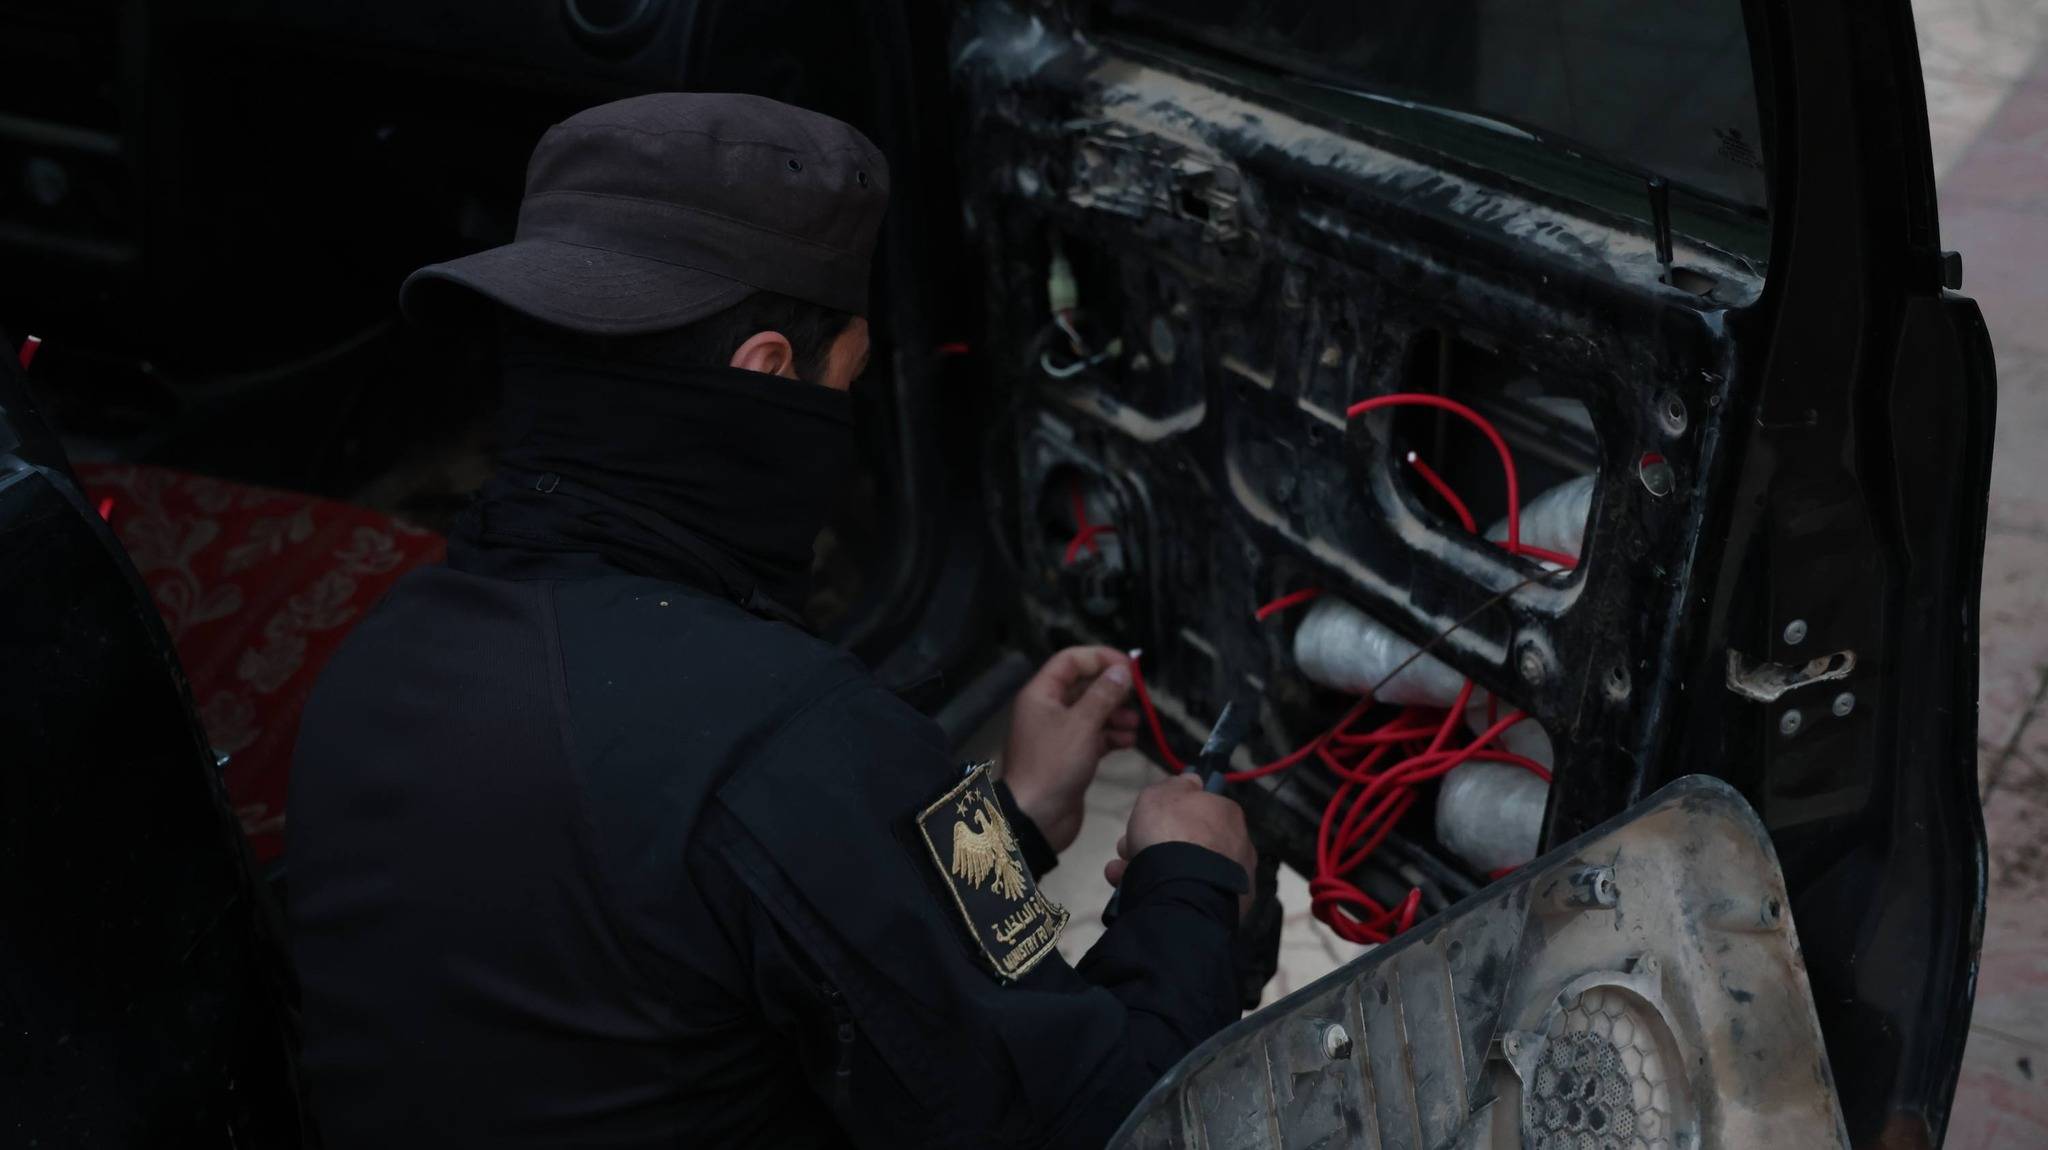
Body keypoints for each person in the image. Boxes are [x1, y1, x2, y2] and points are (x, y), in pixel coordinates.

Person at [288, 93, 1256, 1149]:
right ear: (767, 375)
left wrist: (1000, 823)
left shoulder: (380, 656)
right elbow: (1099, 1121)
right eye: (845, 377)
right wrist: (1192, 881)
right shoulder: (784, 737)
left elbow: (761, 913)